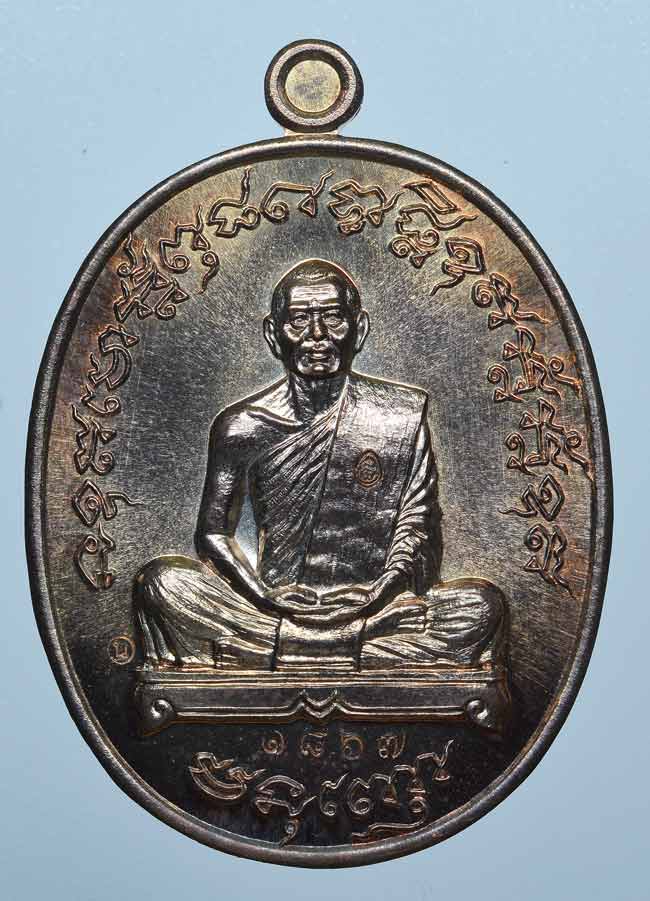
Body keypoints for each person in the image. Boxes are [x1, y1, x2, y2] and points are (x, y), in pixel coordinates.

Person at [135, 259, 505, 672]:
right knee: (163, 583)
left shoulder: (399, 415)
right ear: (273, 335)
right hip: (272, 606)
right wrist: (263, 595)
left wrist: (380, 592)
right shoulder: (241, 426)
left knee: (481, 606)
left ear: (359, 329)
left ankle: (279, 652)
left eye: (332, 318)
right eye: (299, 320)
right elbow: (213, 534)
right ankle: (342, 646)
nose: (316, 335)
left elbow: (417, 525)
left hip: (377, 605)